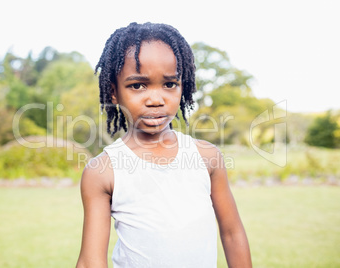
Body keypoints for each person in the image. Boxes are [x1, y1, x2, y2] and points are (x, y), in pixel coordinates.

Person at [76, 22, 251, 268]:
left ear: (183, 86)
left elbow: (233, 234)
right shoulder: (103, 171)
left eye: (169, 84)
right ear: (114, 93)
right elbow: (90, 261)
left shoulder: (206, 156)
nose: (156, 99)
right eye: (137, 85)